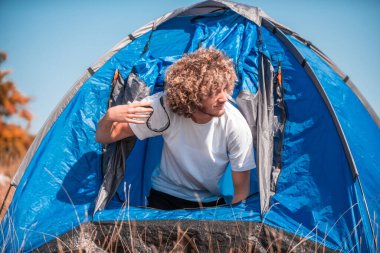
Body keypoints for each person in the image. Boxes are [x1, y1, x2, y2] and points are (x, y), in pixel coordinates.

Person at [96, 48, 255, 210]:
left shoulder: (235, 125)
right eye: (213, 92)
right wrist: (109, 116)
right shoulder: (164, 109)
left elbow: (241, 193)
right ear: (192, 93)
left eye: (225, 88)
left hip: (211, 202)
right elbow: (103, 137)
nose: (223, 98)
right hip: (164, 196)